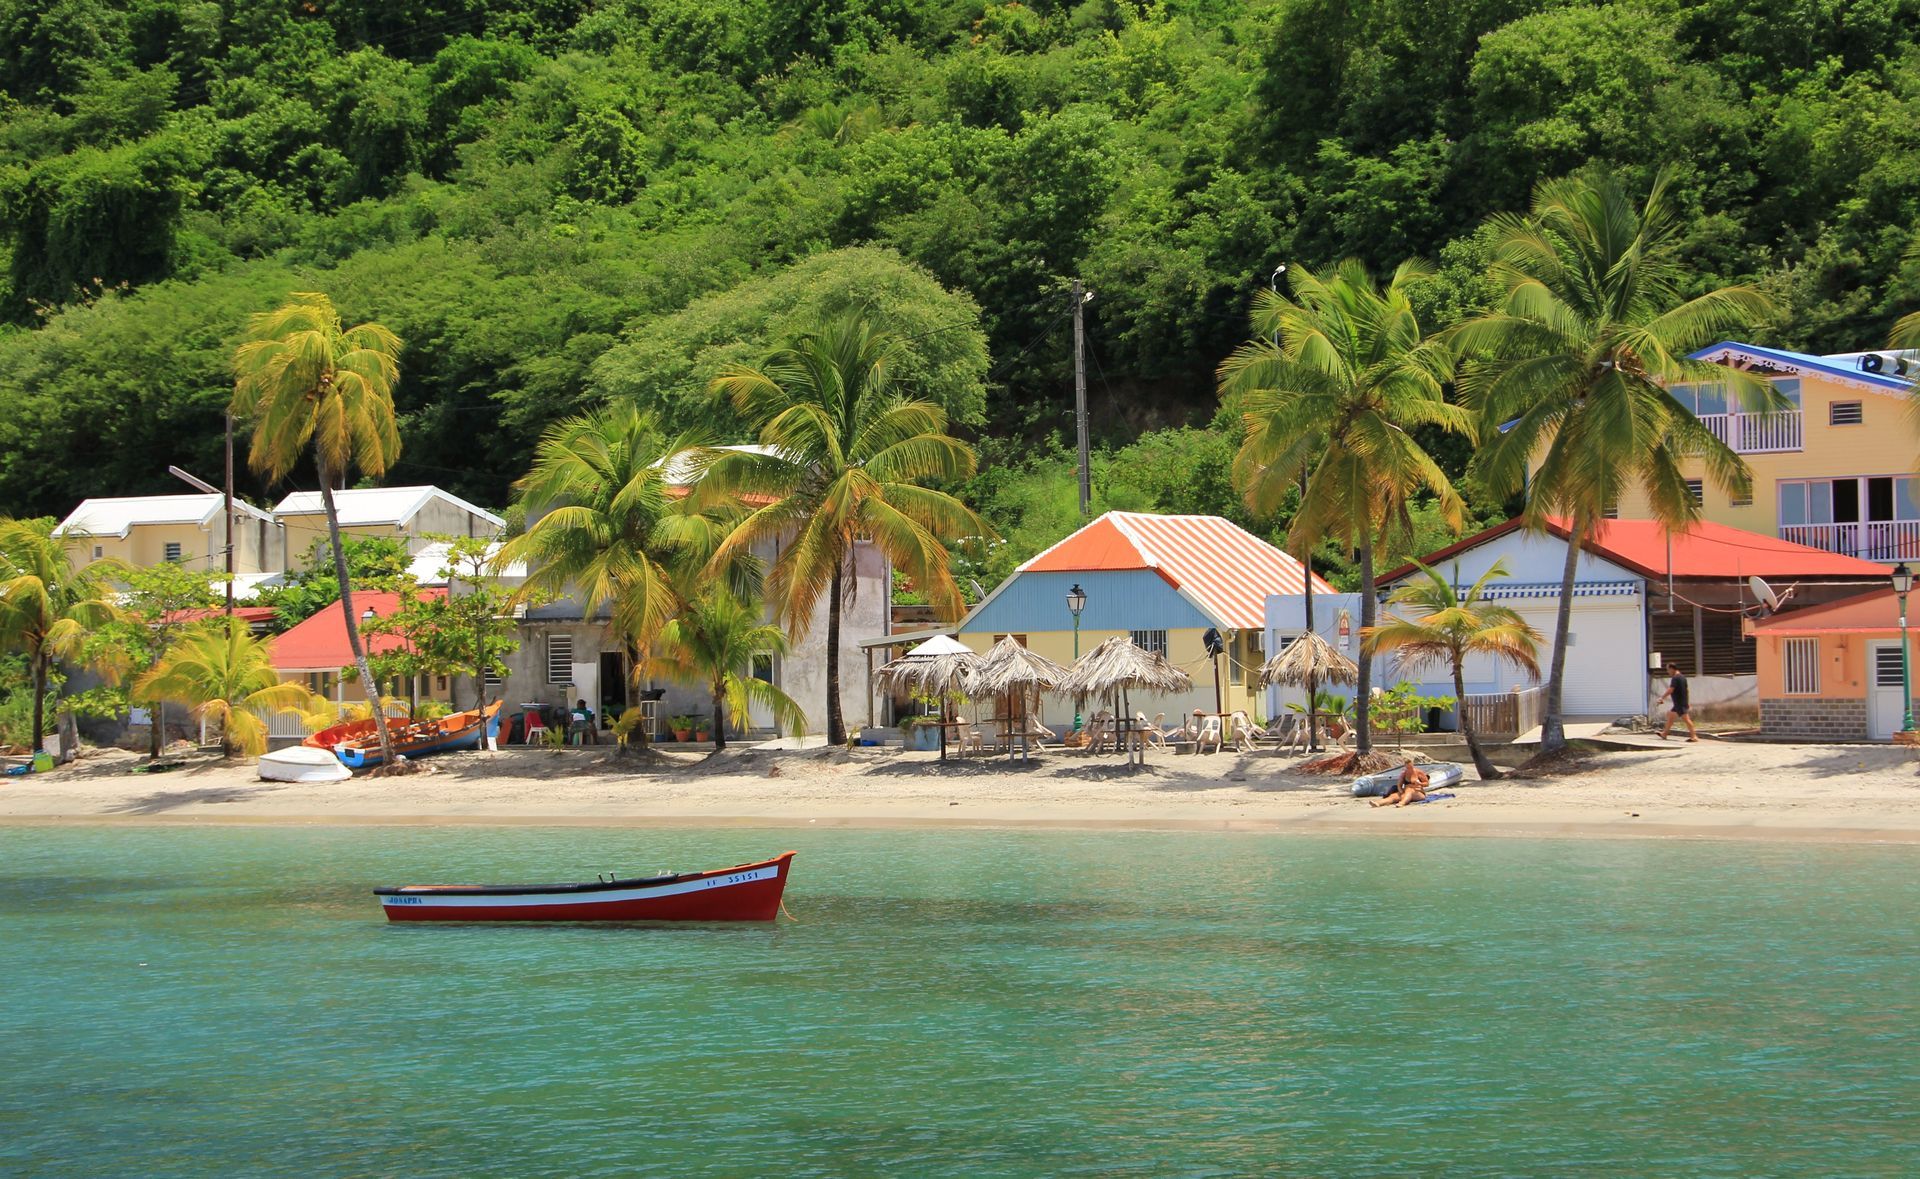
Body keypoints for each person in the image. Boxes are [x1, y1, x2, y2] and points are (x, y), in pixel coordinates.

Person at [1657, 663, 1698, 742]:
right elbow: (1686, 691)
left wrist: (1662, 698)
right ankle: (1664, 734)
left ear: (1672, 669)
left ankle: (1694, 736)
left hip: (1679, 703)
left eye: (1668, 670)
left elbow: (1671, 689)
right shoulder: (1682, 677)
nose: (1667, 672)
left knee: (1686, 719)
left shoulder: (1675, 678)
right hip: (1680, 702)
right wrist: (1687, 701)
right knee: (1670, 716)